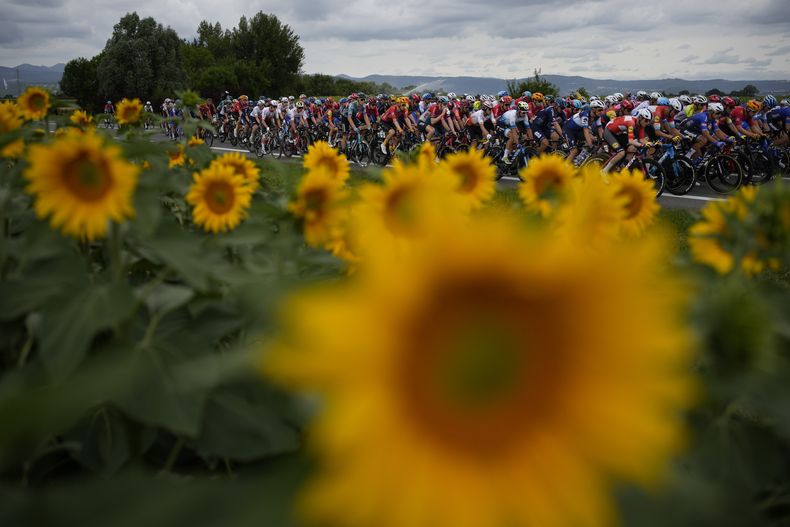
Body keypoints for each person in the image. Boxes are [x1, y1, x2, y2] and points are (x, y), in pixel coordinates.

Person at [602, 108, 652, 173]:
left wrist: (651, 144)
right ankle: (604, 172)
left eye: (649, 121)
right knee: (621, 152)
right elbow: (630, 141)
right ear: (640, 117)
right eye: (646, 120)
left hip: (618, 133)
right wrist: (642, 145)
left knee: (631, 148)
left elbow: (642, 139)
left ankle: (619, 166)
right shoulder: (631, 123)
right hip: (609, 131)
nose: (647, 123)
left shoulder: (641, 125)